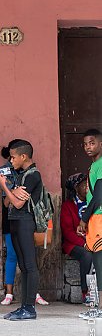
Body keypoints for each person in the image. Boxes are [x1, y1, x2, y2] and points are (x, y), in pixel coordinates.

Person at [0, 139, 44, 321]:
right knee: (22, 265)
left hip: (26, 222)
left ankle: (30, 308)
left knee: (30, 264)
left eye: (14, 157)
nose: (11, 161)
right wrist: (12, 191)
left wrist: (5, 186)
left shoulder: (33, 175)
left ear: (24, 156)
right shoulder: (20, 174)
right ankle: (23, 306)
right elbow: (6, 202)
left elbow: (17, 202)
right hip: (15, 221)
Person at [78, 129, 102, 320]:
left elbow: (99, 196)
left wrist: (84, 218)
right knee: (97, 262)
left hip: (98, 217)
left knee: (99, 263)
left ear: (101, 144)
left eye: (92, 143)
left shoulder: (101, 165)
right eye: (86, 144)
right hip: (94, 218)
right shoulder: (93, 166)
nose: (88, 147)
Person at [61, 173, 94, 303]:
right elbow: (68, 232)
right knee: (87, 255)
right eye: (84, 185)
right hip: (74, 243)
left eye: (88, 185)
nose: (87, 188)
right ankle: (85, 292)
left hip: (94, 240)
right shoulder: (68, 206)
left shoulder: (93, 203)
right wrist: (84, 243)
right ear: (76, 188)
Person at [0, 141, 18, 305]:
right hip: (10, 217)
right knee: (12, 254)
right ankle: (9, 293)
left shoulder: (30, 171)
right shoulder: (4, 171)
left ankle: (34, 292)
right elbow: (6, 202)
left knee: (29, 257)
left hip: (27, 218)